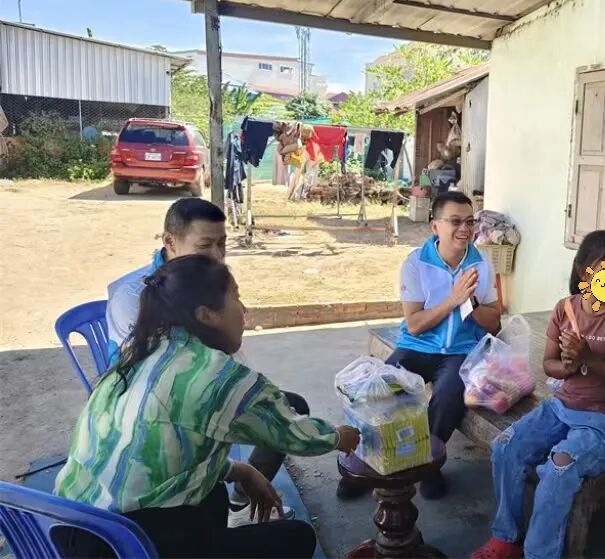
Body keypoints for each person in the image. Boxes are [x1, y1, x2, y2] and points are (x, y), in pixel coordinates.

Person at [55, 255, 361, 558]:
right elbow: (295, 434)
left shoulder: (143, 350)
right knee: (295, 538)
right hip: (129, 546)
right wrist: (338, 437)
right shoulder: (218, 377)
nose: (244, 310)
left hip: (72, 531)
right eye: (236, 298)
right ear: (206, 315)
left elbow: (164, 450)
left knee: (212, 494)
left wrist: (240, 470)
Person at [105, 198, 305, 525]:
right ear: (170, 241)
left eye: (222, 244)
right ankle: (215, 509)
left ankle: (240, 504)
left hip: (188, 401)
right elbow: (183, 380)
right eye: (205, 245)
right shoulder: (133, 296)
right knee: (259, 419)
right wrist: (336, 438)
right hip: (162, 410)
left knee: (285, 406)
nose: (216, 256)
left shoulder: (207, 281)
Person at [471, 230, 605, 559]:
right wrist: (569, 366)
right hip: (561, 407)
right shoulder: (566, 309)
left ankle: (539, 554)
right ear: (585, 272)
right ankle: (506, 538)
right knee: (506, 447)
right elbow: (549, 364)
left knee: (559, 468)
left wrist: (591, 361)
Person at [336, 191, 501, 500]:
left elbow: (494, 322)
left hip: (460, 351)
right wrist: (454, 299)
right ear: (435, 226)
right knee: (378, 389)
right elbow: (414, 324)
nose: (465, 229)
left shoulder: (482, 264)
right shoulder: (417, 263)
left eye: (470, 222)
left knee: (449, 396)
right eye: (455, 221)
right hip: (417, 345)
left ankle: (426, 463)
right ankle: (363, 459)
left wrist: (473, 305)